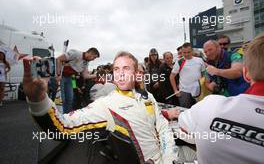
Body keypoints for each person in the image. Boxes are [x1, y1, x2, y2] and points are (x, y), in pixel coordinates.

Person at [23, 51, 177, 163]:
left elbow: (163, 128)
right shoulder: (106, 104)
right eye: (117, 69)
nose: (120, 73)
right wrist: (38, 98)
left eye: (126, 68)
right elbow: (61, 126)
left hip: (168, 155)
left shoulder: (147, 96)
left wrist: (169, 159)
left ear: (137, 74)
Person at [174, 33, 264, 164]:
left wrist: (217, 71)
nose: (207, 53)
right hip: (225, 102)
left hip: (241, 99)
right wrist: (213, 87)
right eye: (205, 51)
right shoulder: (207, 63)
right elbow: (207, 81)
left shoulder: (233, 56)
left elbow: (237, 70)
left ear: (247, 73)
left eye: (210, 50)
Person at [56, 47, 100, 113]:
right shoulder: (76, 53)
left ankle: (66, 116)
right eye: (94, 57)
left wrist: (97, 75)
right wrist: (58, 74)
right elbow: (58, 59)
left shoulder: (86, 63)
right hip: (61, 77)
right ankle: (59, 115)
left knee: (70, 98)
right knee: (62, 98)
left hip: (70, 78)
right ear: (91, 53)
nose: (93, 60)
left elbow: (85, 76)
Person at [170, 43, 205, 108]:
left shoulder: (200, 60)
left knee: (199, 111)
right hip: (184, 92)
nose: (186, 54)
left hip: (199, 91)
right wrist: (175, 90)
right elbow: (172, 77)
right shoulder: (179, 61)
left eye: (188, 52)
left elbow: (203, 74)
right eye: (184, 52)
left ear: (192, 51)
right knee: (185, 111)